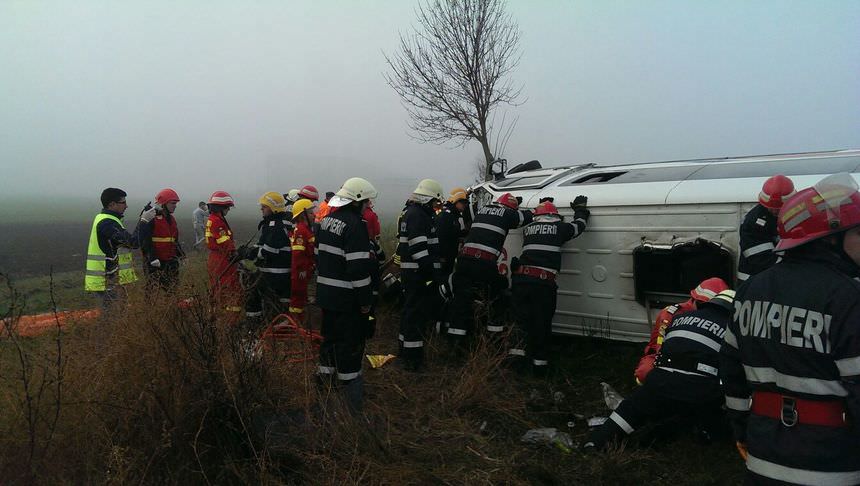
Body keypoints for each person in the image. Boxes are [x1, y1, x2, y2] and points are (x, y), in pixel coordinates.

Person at [720, 173, 860, 485]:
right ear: (830, 238)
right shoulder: (847, 298)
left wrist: (743, 429)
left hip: (763, 457)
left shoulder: (747, 292)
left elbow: (731, 373)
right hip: (834, 466)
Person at [584, 289, 737, 451]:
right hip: (698, 388)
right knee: (703, 412)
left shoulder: (680, 317)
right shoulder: (732, 329)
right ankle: (705, 435)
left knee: (632, 409)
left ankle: (595, 443)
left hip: (659, 380)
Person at [316, 177, 377, 413]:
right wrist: (365, 302)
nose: (368, 204)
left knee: (329, 341)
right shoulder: (356, 226)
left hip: (326, 296)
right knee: (350, 346)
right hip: (347, 299)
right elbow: (358, 269)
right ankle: (350, 402)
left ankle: (324, 388)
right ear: (358, 201)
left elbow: (319, 257)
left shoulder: (325, 221)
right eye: (367, 201)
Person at [508, 198, 589, 375]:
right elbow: (579, 227)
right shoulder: (561, 228)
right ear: (554, 215)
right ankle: (539, 367)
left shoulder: (528, 229)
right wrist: (581, 211)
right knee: (541, 323)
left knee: (520, 322)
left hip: (521, 280)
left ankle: (516, 364)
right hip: (542, 284)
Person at [447, 192, 533, 342]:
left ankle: (456, 345)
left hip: (463, 261)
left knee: (462, 301)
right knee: (498, 293)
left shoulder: (483, 209)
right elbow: (527, 217)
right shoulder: (509, 214)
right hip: (483, 264)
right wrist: (537, 208)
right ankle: (493, 338)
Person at [633, 277, 730, 384]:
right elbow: (657, 348)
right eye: (702, 305)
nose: (706, 310)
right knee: (644, 372)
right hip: (668, 358)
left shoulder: (724, 319)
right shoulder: (670, 314)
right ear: (693, 299)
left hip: (704, 364)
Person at [396, 179, 444, 371]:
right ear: (427, 199)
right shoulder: (418, 216)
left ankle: (404, 351)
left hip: (412, 273)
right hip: (417, 274)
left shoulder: (414, 213)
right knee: (415, 315)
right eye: (435, 202)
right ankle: (413, 360)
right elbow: (419, 250)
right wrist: (433, 274)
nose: (436, 206)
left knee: (409, 312)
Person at [85, 188, 157, 309]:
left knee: (117, 315)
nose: (126, 206)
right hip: (106, 280)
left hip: (111, 280)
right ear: (112, 204)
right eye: (123, 202)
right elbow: (133, 242)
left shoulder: (109, 220)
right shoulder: (107, 223)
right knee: (112, 319)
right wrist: (144, 221)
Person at [240, 192, 292, 325]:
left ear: (273, 208)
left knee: (254, 297)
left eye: (264, 206)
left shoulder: (276, 226)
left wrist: (249, 253)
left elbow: (268, 251)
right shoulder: (272, 223)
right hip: (274, 272)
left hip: (276, 275)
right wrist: (250, 250)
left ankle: (255, 328)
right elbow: (262, 244)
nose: (261, 209)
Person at [737, 174, 795, 283]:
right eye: (771, 208)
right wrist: (793, 268)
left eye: (779, 208)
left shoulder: (793, 214)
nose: (774, 211)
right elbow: (759, 258)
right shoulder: (753, 222)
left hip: (775, 277)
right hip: (754, 281)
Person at [432, 187, 469, 333]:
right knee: (441, 287)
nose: (465, 206)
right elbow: (442, 238)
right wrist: (441, 257)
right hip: (443, 258)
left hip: (448, 257)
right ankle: (437, 319)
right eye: (463, 203)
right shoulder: (446, 217)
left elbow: (453, 234)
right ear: (455, 202)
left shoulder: (451, 215)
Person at [205, 191, 241, 318]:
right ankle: (230, 322)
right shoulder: (217, 222)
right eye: (227, 207)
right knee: (230, 290)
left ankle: (215, 318)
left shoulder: (215, 219)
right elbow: (224, 242)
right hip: (222, 259)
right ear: (221, 207)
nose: (228, 210)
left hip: (217, 259)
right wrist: (235, 253)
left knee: (217, 290)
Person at [140, 188, 184, 290]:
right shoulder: (151, 217)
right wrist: (152, 258)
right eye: (173, 203)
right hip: (155, 263)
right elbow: (145, 240)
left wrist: (181, 255)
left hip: (170, 262)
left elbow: (174, 240)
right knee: (153, 290)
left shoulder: (172, 220)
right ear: (164, 203)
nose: (175, 206)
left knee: (172, 290)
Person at [289, 198, 316, 323]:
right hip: (300, 272)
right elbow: (298, 253)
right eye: (311, 213)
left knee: (302, 297)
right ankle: (295, 324)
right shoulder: (301, 231)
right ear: (302, 215)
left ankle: (300, 322)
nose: (314, 215)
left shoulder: (305, 229)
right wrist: (302, 270)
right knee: (298, 298)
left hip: (305, 270)